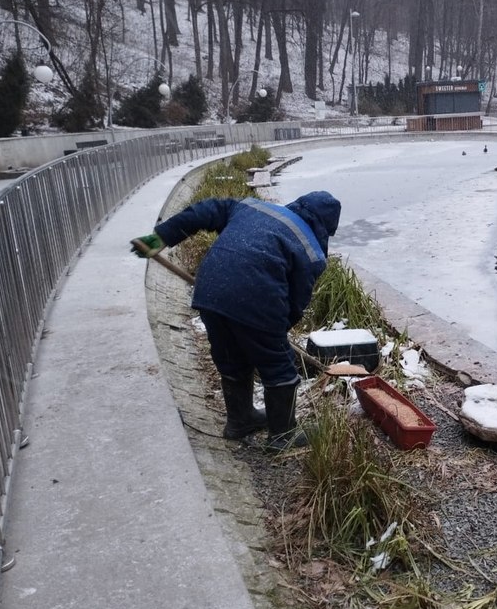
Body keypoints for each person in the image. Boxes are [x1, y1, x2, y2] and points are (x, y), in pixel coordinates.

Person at [131, 191, 341, 451]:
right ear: (325, 227)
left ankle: (239, 420)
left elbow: (204, 210)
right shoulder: (311, 251)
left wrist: (160, 237)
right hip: (256, 297)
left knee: (231, 357)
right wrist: (275, 335)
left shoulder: (251, 207)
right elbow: (296, 303)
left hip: (209, 292)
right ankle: (282, 436)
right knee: (279, 366)